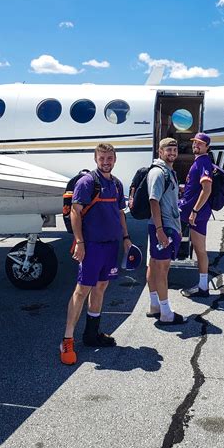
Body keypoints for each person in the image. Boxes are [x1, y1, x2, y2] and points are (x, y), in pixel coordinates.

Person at [60, 143, 132, 365]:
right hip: (91, 246)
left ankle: (92, 334)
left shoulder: (117, 184)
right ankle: (67, 340)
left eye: (109, 158)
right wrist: (79, 242)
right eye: (102, 158)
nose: (106, 161)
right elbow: (75, 212)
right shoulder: (87, 182)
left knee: (101, 287)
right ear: (96, 159)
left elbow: (120, 212)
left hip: (111, 245)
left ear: (115, 159)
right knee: (82, 290)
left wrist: (126, 238)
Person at [146, 137, 187, 325]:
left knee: (154, 265)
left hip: (165, 225)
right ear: (160, 152)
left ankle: (155, 306)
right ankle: (166, 313)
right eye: (167, 150)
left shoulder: (168, 171)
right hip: (163, 226)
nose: (172, 153)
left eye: (174, 149)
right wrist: (160, 230)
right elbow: (153, 200)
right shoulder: (158, 172)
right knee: (162, 269)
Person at [179, 132, 214, 298]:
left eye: (200, 143)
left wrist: (194, 211)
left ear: (207, 146)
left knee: (200, 250)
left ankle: (203, 287)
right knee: (199, 249)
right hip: (193, 212)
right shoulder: (199, 161)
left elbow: (207, 189)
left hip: (197, 215)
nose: (196, 145)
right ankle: (202, 284)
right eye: (194, 143)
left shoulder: (204, 162)